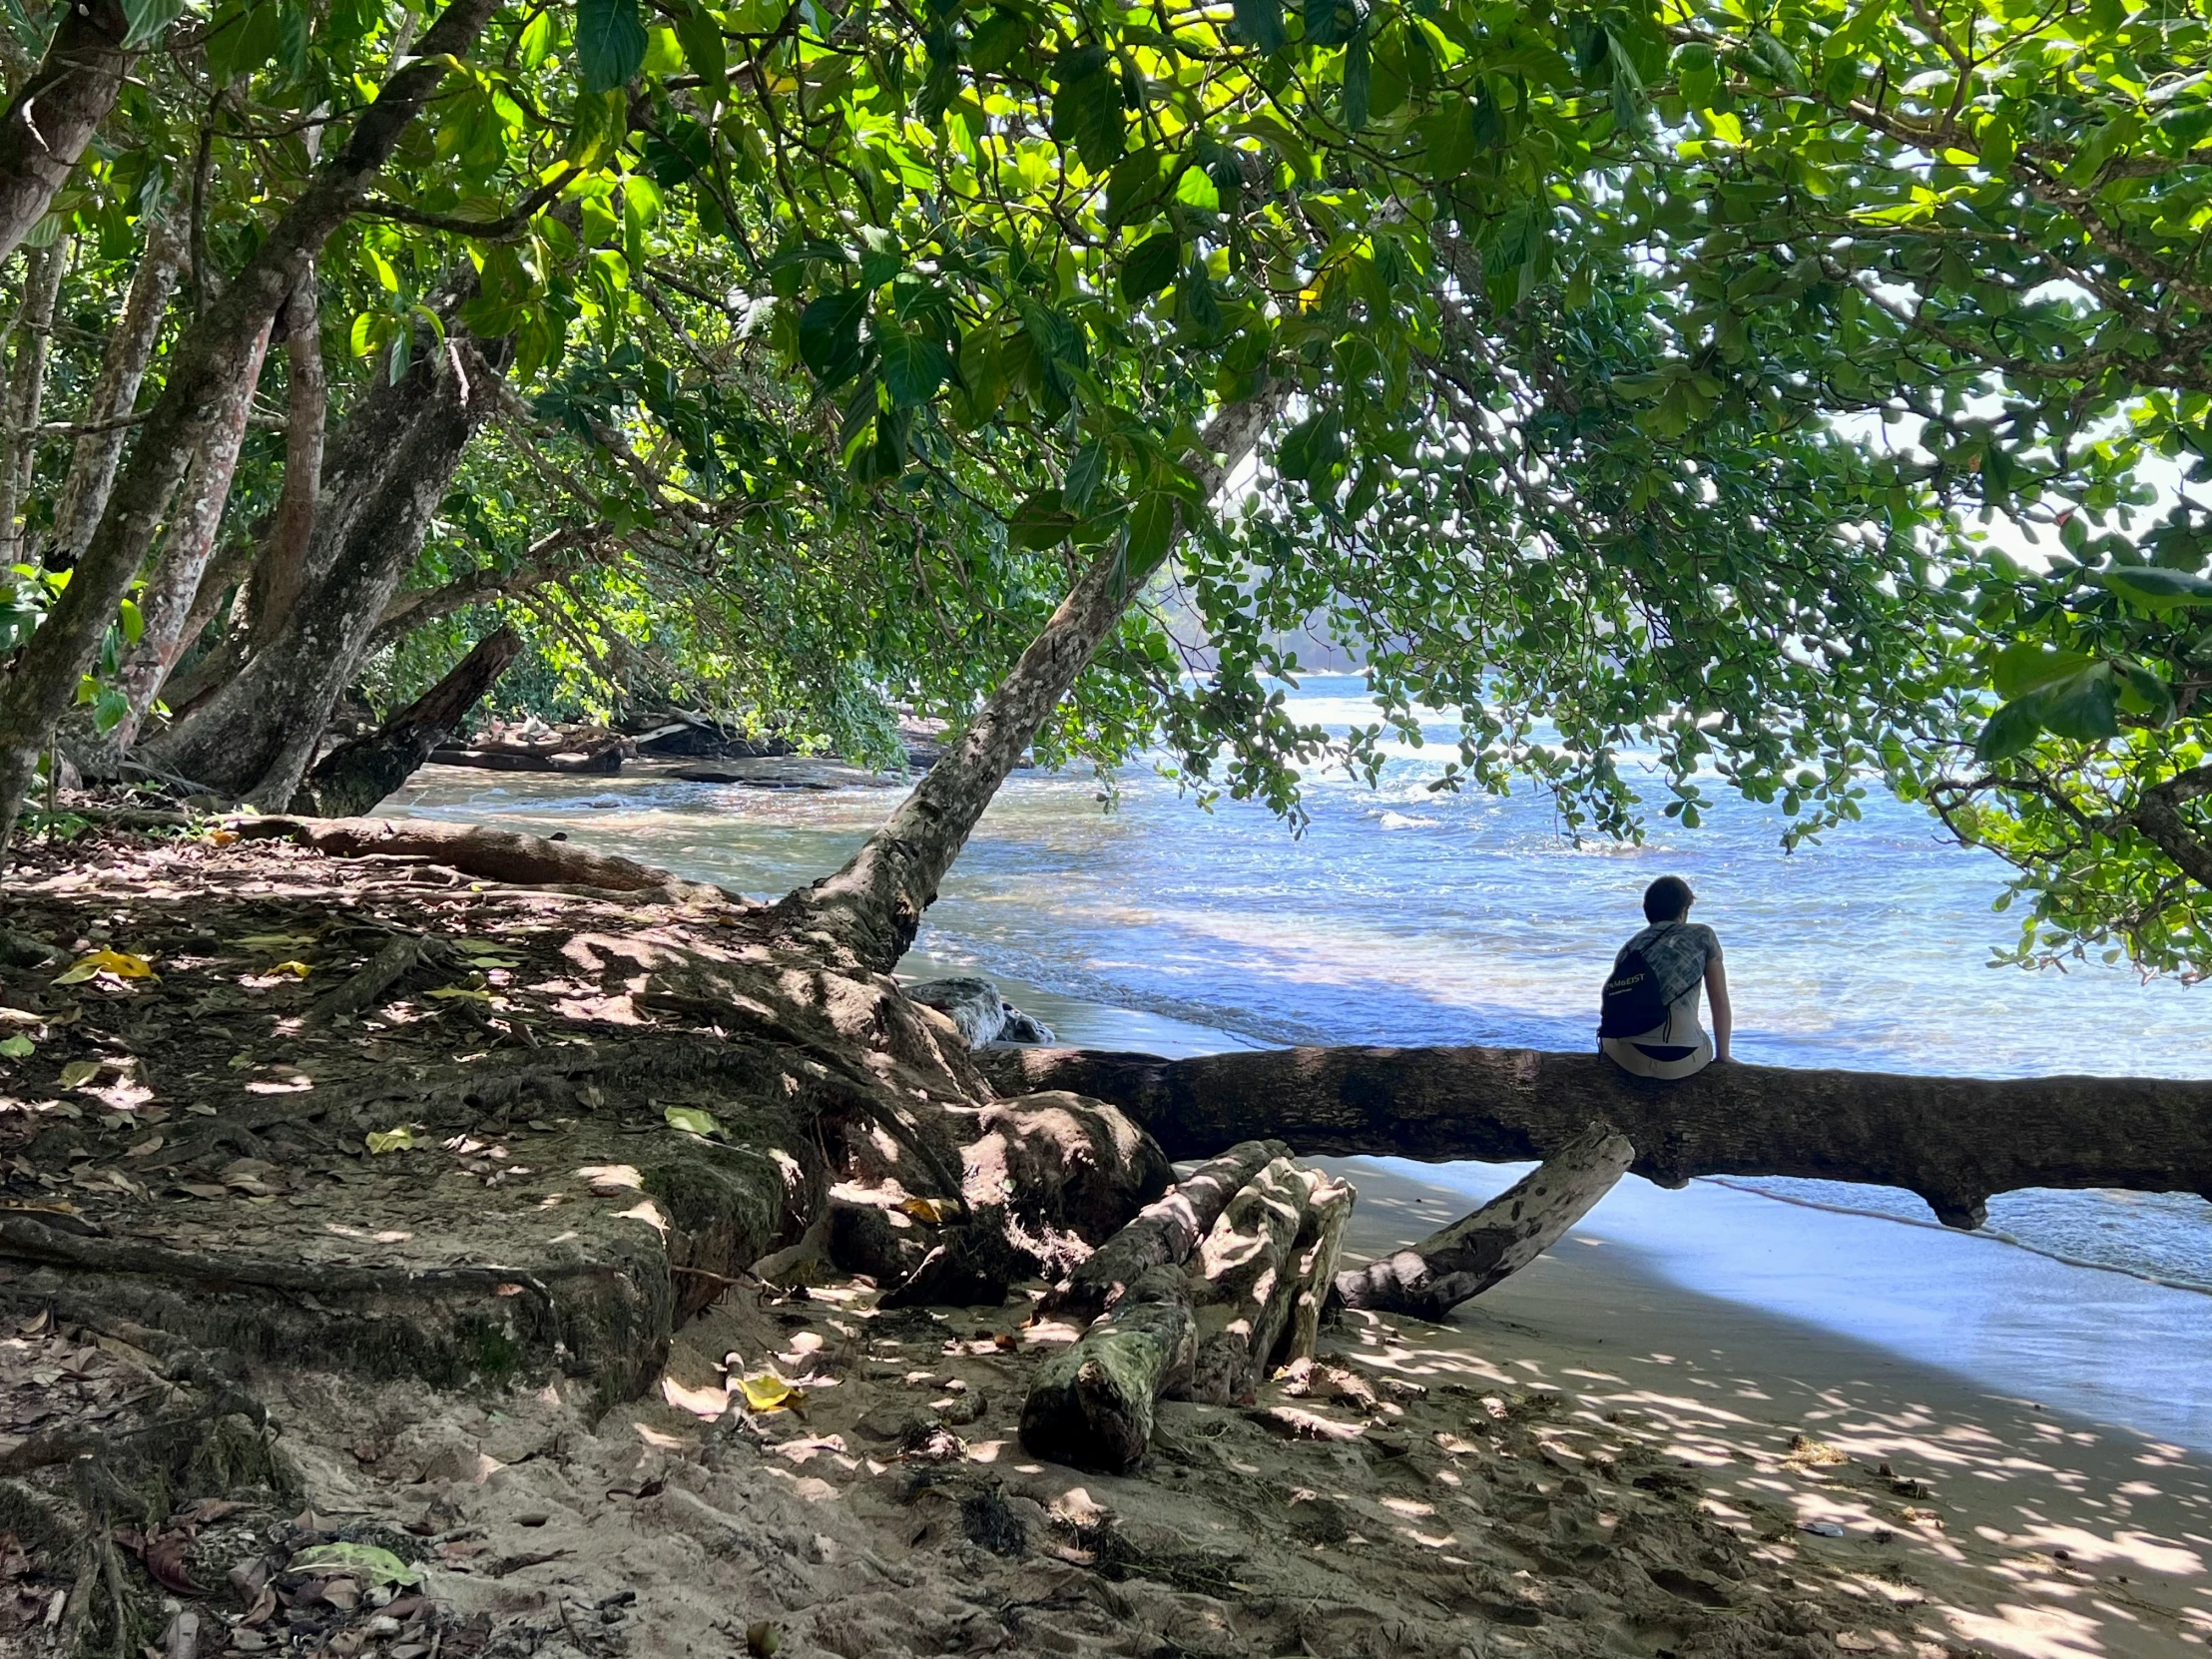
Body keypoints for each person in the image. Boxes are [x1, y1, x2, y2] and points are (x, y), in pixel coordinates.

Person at [1597, 875, 1731, 1079]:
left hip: (1633, 1059)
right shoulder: (1703, 935)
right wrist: (1723, 1055)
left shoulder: (1631, 947)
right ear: (1684, 910)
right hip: (1684, 1059)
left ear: (1647, 910)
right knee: (1701, 1039)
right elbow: (1719, 1001)